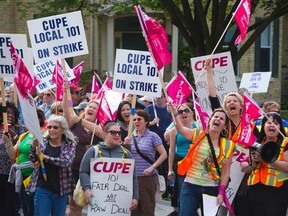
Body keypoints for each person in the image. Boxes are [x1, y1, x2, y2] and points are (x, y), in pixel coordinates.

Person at [169, 104, 234, 216]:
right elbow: (180, 128)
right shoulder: (198, 134)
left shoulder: (229, 145)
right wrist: (175, 113)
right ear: (210, 121)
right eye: (216, 117)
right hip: (191, 185)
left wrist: (221, 193)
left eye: (221, 118)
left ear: (224, 126)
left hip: (212, 188)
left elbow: (225, 171)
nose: (218, 119)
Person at [63, 82, 104, 216]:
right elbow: (67, 111)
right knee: (75, 207)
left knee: (95, 208)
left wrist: (81, 121)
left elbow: (100, 133)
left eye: (94, 108)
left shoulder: (100, 126)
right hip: (73, 170)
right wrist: (66, 92)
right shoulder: (74, 123)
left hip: (92, 173)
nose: (91, 108)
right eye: (89, 106)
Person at [79, 121, 139, 211]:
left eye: (119, 133)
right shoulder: (93, 151)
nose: (117, 135)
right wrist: (86, 189)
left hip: (120, 204)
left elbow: (133, 177)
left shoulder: (126, 154)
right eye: (113, 132)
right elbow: (83, 172)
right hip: (97, 200)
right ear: (105, 134)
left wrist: (135, 197)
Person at [26, 115, 77, 216]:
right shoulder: (43, 142)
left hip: (61, 190)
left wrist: (45, 157)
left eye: (55, 127)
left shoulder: (69, 144)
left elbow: (65, 162)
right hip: (43, 188)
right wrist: (33, 147)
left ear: (62, 130)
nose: (51, 130)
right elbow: (33, 159)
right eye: (49, 127)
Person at [240, 112, 288, 216]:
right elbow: (243, 167)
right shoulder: (255, 143)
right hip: (253, 191)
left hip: (276, 193)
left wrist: (266, 158)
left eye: (275, 123)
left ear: (280, 126)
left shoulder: (285, 143)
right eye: (268, 122)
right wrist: (254, 162)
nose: (272, 125)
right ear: (263, 126)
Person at [126, 110, 167, 216]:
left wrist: (152, 167)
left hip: (147, 178)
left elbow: (164, 154)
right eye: (134, 119)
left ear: (146, 122)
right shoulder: (130, 137)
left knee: (147, 209)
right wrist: (125, 145)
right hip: (132, 178)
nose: (136, 122)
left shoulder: (153, 136)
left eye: (139, 119)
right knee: (133, 210)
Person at [8, 109, 47, 216]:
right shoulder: (24, 135)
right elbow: (12, 155)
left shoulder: (45, 133)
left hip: (34, 177)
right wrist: (7, 141)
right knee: (26, 209)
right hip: (22, 177)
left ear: (38, 119)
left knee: (34, 209)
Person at [167, 103, 197, 216]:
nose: (183, 113)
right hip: (180, 163)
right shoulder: (174, 130)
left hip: (195, 163)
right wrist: (170, 169)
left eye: (186, 110)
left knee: (194, 191)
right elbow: (171, 150)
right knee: (181, 191)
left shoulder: (198, 127)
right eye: (180, 112)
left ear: (192, 113)